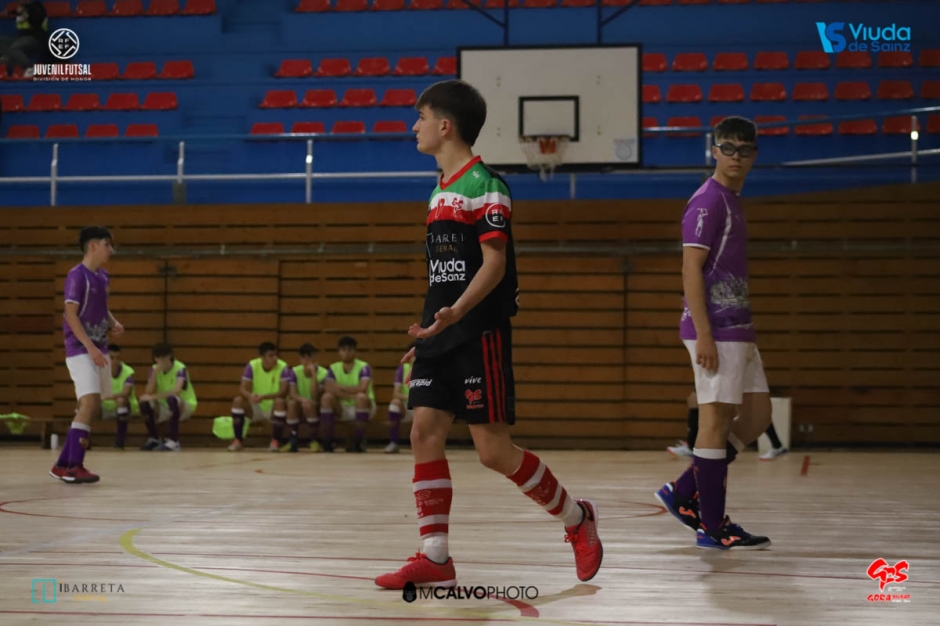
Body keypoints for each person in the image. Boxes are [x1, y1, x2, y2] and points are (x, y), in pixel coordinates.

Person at [374, 80, 602, 590]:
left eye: (420, 117)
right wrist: (430, 330)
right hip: (442, 330)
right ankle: (435, 556)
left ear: (445, 126)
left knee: (493, 451)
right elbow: (445, 276)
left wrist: (456, 313)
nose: (414, 126)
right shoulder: (438, 191)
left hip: (478, 330)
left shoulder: (487, 184)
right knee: (423, 432)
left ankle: (577, 518)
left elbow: (493, 264)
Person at [654, 116, 772, 550]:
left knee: (757, 416)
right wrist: (703, 333)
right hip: (716, 329)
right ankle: (712, 526)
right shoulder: (708, 201)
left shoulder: (732, 199)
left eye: (745, 149)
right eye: (728, 148)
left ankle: (684, 489)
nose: (736, 156)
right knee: (715, 420)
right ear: (714, 150)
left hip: (739, 328)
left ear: (754, 155)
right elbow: (691, 267)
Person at [50, 226, 123, 484]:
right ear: (93, 246)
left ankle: (62, 464)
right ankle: (74, 466)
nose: (111, 250)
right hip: (80, 348)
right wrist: (90, 346)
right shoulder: (76, 276)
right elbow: (70, 315)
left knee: (94, 405)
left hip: (98, 348)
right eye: (107, 244)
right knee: (89, 403)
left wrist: (113, 322)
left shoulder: (103, 277)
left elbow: (102, 308)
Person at [668, 390, 787, 461]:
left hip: (728, 371)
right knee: (694, 399)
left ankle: (777, 445)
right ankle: (691, 445)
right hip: (721, 371)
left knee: (752, 413)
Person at [229, 342, 291, 451]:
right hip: (256, 405)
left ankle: (275, 441)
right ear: (262, 357)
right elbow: (242, 388)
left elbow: (283, 392)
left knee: (280, 402)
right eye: (271, 356)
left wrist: (264, 397)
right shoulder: (252, 365)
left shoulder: (283, 367)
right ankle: (238, 440)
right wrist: (250, 396)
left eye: (276, 355)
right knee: (238, 401)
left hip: (272, 406)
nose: (275, 358)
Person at [319, 336, 375, 453]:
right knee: (326, 397)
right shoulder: (333, 368)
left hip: (363, 406)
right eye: (343, 350)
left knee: (361, 397)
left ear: (355, 351)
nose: (346, 353)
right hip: (342, 406)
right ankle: (328, 441)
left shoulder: (364, 367)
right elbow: (329, 388)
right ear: (339, 352)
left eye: (349, 350)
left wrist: (339, 387)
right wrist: (350, 394)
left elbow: (363, 388)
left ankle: (358, 441)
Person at [139, 343, 198, 451]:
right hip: (164, 405)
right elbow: (148, 391)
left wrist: (154, 397)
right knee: (144, 402)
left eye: (164, 358)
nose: (161, 361)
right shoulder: (154, 369)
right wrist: (154, 374)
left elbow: (176, 391)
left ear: (170, 356)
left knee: (172, 399)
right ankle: (155, 438)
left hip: (184, 406)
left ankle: (174, 441)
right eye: (158, 358)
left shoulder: (180, 368)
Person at [286, 342, 328, 453]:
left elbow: (315, 395)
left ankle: (313, 440)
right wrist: (302, 399)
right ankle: (293, 439)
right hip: (301, 403)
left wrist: (314, 374)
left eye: (310, 357)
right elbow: (292, 393)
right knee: (291, 403)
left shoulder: (323, 373)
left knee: (309, 405)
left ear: (315, 357)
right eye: (304, 357)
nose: (307, 360)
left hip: (316, 405)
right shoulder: (295, 371)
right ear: (300, 359)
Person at [100, 343, 138, 450]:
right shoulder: (99, 370)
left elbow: (125, 393)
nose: (115, 361)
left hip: (125, 406)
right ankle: (83, 441)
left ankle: (120, 441)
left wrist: (105, 397)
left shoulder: (127, 372)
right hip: (104, 405)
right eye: (112, 358)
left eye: (118, 358)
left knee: (121, 400)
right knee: (85, 403)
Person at [0, 1, 48, 77]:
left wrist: (26, 15)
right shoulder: (22, 8)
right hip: (20, 38)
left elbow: (37, 23)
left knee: (14, 49)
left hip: (35, 38)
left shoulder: (38, 7)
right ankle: (7, 60)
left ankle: (30, 67)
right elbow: (11, 12)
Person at [384, 342, 415, 454]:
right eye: (413, 355)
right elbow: (396, 394)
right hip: (408, 406)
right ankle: (393, 442)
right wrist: (412, 397)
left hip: (424, 408)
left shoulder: (428, 369)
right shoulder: (402, 369)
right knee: (394, 404)